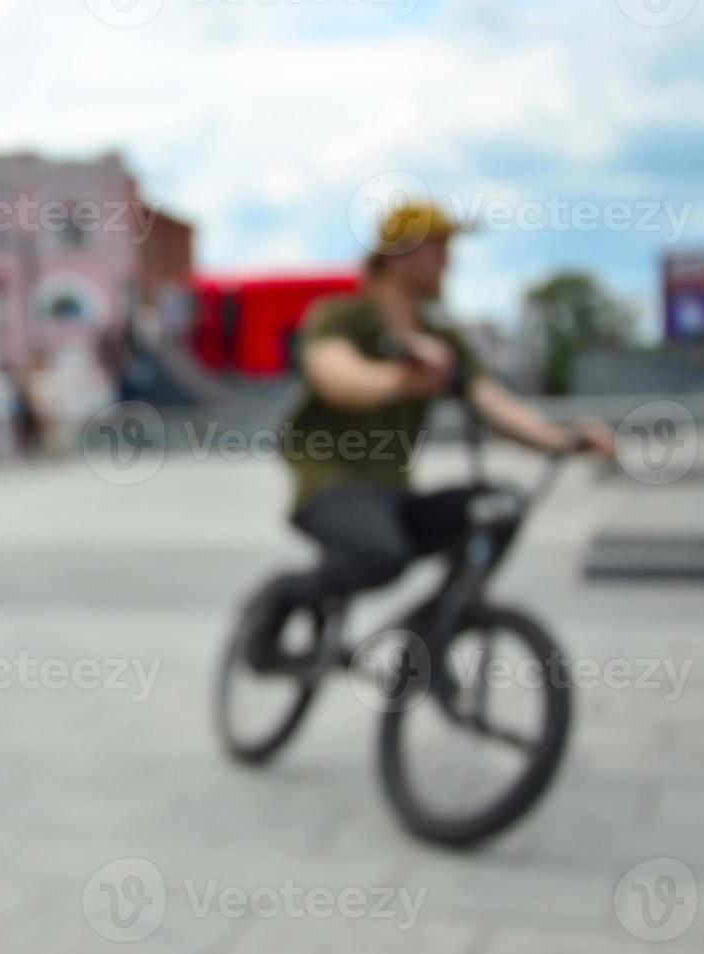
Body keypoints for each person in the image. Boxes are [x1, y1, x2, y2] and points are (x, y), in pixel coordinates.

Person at [248, 201, 615, 670]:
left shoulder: (440, 336)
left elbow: (491, 402)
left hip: (394, 494)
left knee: (498, 508)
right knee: (383, 556)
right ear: (400, 254)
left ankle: (430, 634)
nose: (448, 259)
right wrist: (402, 375)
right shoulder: (343, 317)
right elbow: (336, 376)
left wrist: (561, 439)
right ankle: (280, 604)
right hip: (330, 485)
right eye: (437, 247)